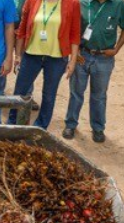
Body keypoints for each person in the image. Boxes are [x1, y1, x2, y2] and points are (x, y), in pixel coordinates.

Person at [62, 0, 124, 142]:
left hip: (104, 58)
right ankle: (70, 124)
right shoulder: (81, 3)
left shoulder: (118, 5)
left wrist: (116, 49)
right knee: (76, 92)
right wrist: (75, 54)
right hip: (82, 56)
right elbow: (73, 29)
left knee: (99, 95)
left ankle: (98, 128)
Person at [8, 0, 80, 129]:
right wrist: (18, 54)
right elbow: (22, 29)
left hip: (56, 58)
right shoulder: (32, 1)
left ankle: (40, 128)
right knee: (20, 92)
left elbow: (75, 34)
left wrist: (73, 61)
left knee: (49, 96)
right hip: (31, 55)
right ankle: (12, 124)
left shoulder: (72, 3)